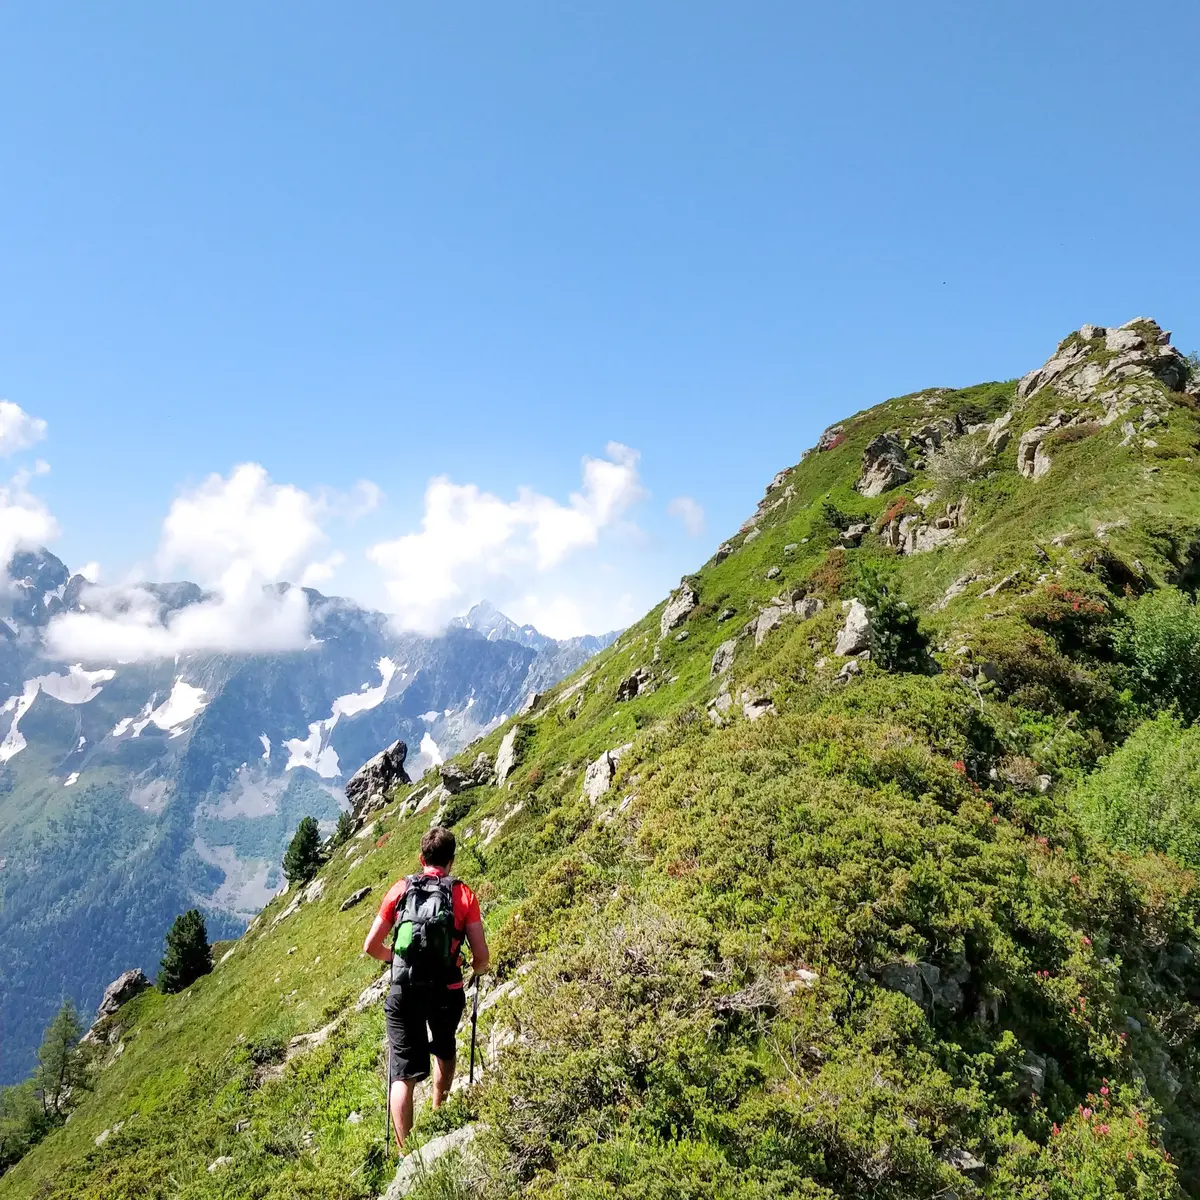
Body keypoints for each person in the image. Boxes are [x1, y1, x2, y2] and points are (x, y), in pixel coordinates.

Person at [363, 826, 490, 1152]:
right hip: (446, 989)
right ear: (451, 860)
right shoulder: (463, 895)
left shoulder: (400, 889)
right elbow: (482, 957)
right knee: (444, 1050)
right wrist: (471, 969)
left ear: (422, 858)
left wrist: (399, 958)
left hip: (404, 989)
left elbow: (370, 946)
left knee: (402, 1073)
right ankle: (439, 1111)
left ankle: (406, 1153)